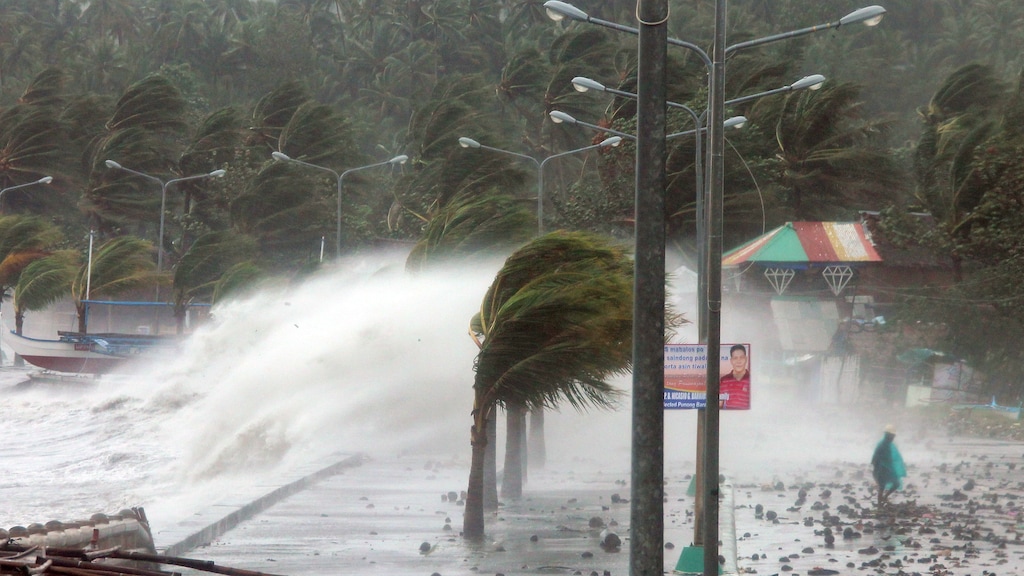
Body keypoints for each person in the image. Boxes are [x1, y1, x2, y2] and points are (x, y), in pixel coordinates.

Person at [871, 424, 906, 506]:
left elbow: (892, 457)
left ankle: (885, 497)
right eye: (891, 436)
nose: (893, 438)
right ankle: (879, 505)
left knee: (896, 483)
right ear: (887, 435)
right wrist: (876, 471)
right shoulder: (881, 445)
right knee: (881, 488)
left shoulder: (889, 445)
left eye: (893, 436)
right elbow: (875, 459)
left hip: (888, 469)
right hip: (881, 469)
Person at [719, 344, 750, 410]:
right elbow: (719, 405)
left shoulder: (752, 380)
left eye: (741, 357)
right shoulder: (724, 380)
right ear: (731, 361)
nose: (738, 361)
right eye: (735, 358)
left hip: (748, 418)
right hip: (730, 418)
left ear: (746, 359)